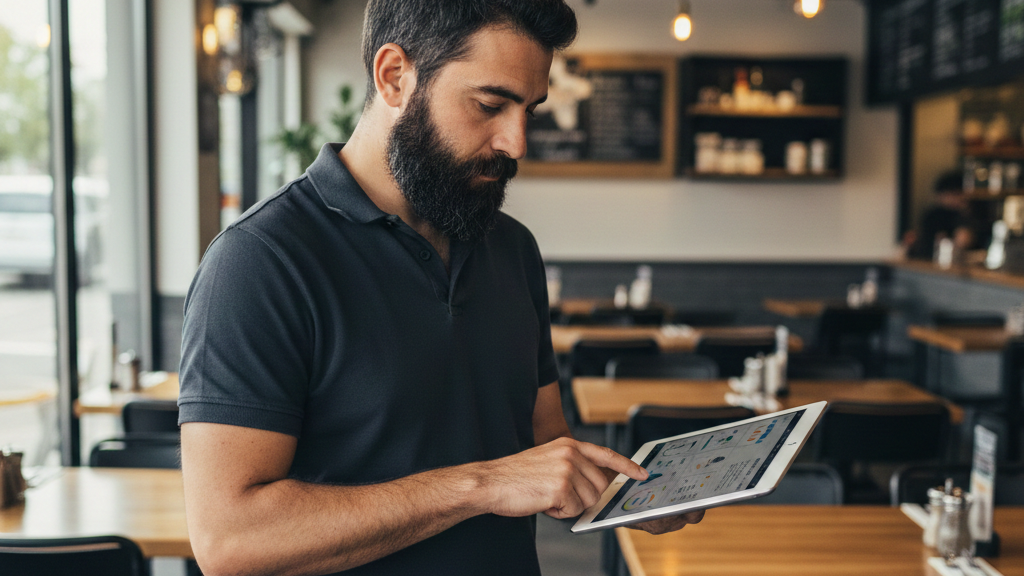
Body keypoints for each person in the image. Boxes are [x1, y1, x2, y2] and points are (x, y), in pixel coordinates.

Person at [177, 2, 703, 575]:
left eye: (530, 109)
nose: (517, 143)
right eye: (490, 105)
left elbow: (543, 447)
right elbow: (229, 541)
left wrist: (633, 495)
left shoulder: (511, 248)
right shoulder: (260, 262)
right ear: (395, 76)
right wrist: (480, 484)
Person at [904, 171, 976, 261]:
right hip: (929, 262)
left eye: (957, 194)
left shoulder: (966, 214)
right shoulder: (933, 215)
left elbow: (965, 241)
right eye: (952, 194)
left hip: (945, 264)